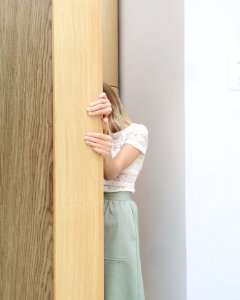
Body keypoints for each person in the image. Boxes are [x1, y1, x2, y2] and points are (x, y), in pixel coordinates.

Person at [84, 82, 148, 300]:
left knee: (119, 274)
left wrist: (105, 142)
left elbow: (110, 173)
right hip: (88, 205)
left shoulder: (138, 132)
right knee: (90, 273)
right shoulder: (89, 134)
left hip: (118, 209)